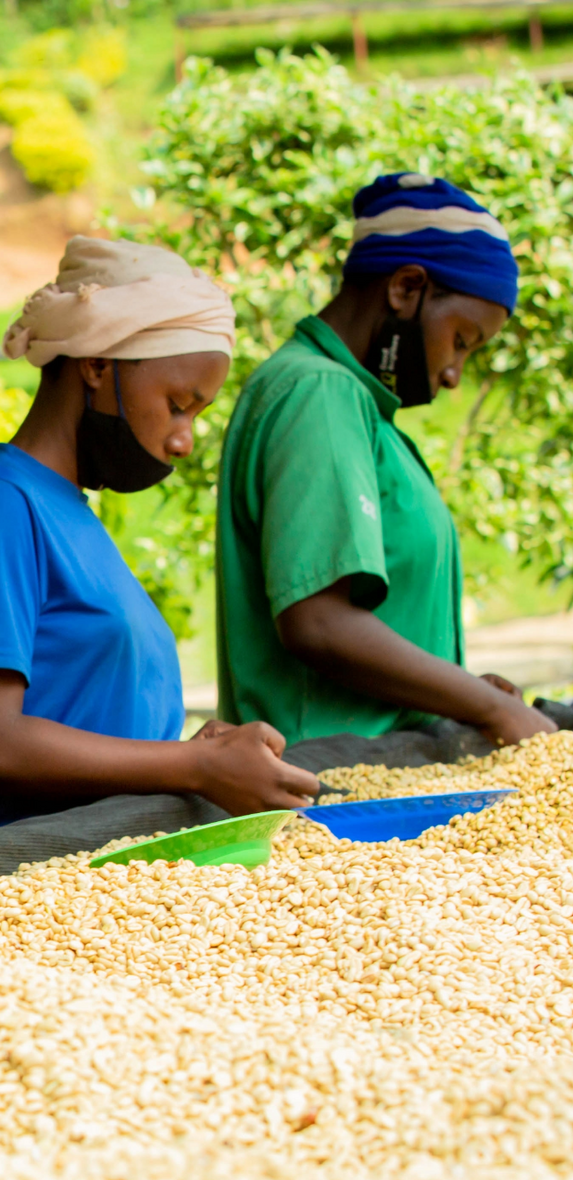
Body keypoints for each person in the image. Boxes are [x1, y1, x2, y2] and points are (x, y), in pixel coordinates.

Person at [0, 236, 320, 831]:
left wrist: (196, 756)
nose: (184, 440)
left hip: (106, 866)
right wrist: (193, 766)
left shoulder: (71, 512)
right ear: (98, 365)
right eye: (178, 404)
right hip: (27, 869)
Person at [215, 173, 553, 748]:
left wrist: (456, 691)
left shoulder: (356, 407)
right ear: (406, 287)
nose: (454, 374)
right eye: (462, 340)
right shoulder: (319, 393)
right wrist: (492, 709)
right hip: (329, 774)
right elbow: (318, 623)